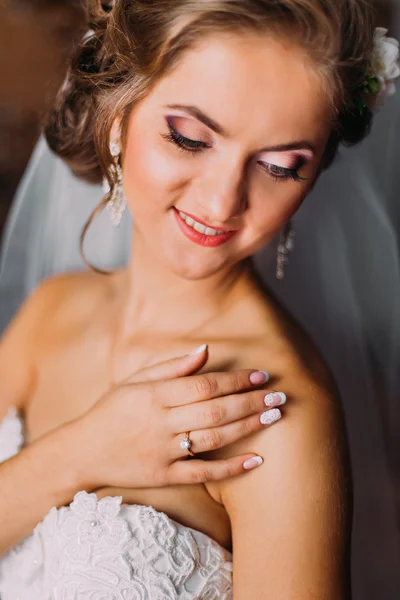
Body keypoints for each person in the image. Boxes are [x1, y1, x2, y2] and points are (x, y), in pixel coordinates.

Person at [0, 0, 398, 597]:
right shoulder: (51, 313)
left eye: (281, 166)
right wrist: (83, 451)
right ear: (118, 112)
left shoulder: (272, 410)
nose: (221, 204)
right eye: (189, 137)